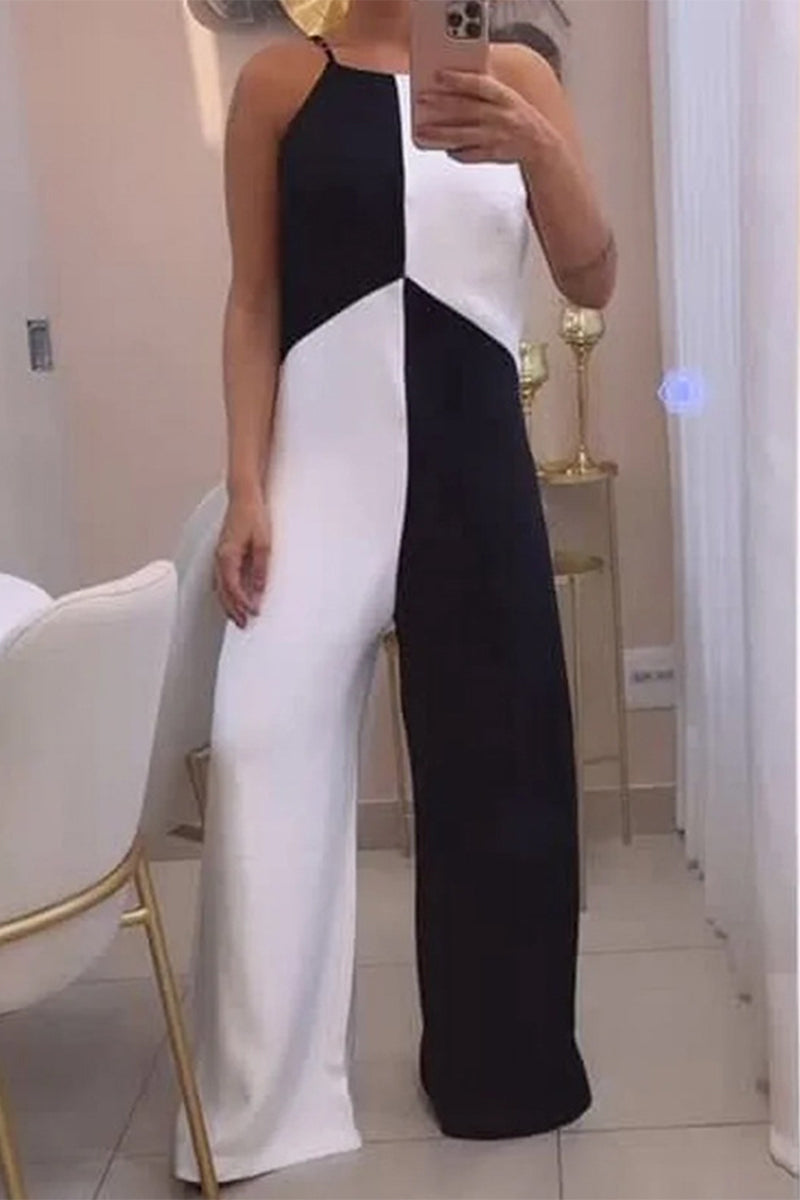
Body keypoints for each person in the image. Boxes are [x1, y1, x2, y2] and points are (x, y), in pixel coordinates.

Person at [173, 0, 616, 1184]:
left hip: (476, 472)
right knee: (256, 746)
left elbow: (592, 273)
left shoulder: (511, 71)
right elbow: (253, 300)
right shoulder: (279, 84)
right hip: (317, 477)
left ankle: (502, 1072)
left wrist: (536, 143)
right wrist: (246, 486)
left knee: (502, 767)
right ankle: (262, 1101)